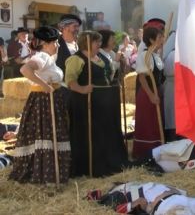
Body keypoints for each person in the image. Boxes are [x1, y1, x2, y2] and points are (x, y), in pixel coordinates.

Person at [8, 26, 71, 184]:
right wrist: (44, 85)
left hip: (50, 98)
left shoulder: (48, 58)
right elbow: (25, 69)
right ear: (45, 44)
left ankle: (50, 172)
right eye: (55, 43)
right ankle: (46, 174)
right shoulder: (42, 56)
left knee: (48, 133)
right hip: (44, 100)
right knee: (46, 133)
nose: (57, 45)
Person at [66, 31, 128, 177]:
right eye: (96, 42)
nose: (99, 45)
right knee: (90, 134)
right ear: (86, 43)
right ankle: (90, 166)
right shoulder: (76, 59)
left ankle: (108, 162)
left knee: (103, 133)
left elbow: (109, 75)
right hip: (85, 103)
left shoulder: (100, 57)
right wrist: (82, 89)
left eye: (100, 42)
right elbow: (70, 81)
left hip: (103, 103)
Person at [94, 182, 195, 215]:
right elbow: (117, 207)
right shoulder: (123, 192)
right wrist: (137, 205)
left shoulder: (143, 184)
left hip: (182, 199)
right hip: (165, 207)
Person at [133, 27, 165, 160]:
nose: (162, 40)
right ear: (151, 40)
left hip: (155, 92)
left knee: (155, 123)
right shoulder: (144, 56)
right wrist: (151, 95)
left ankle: (157, 151)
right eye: (159, 38)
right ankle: (145, 154)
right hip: (147, 94)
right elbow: (142, 78)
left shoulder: (155, 55)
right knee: (148, 123)